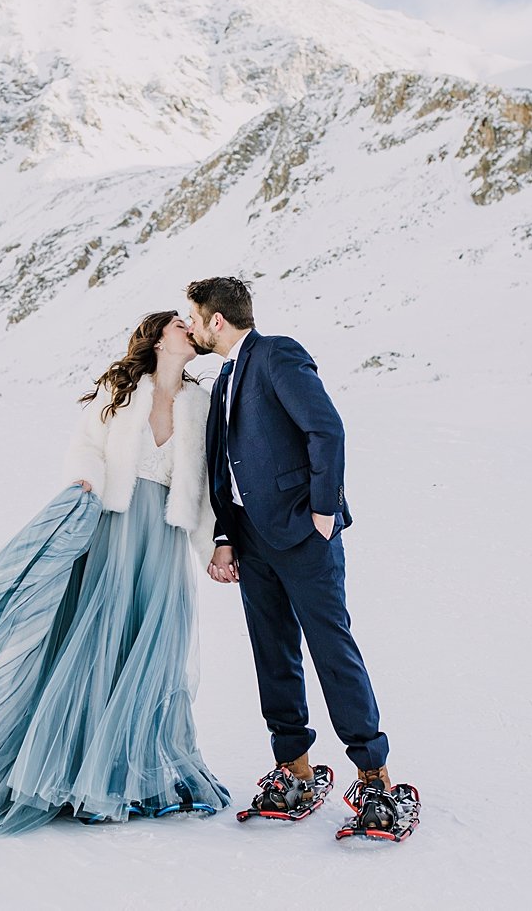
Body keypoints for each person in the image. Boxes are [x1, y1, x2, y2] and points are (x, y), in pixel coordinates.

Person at [0, 310, 230, 837]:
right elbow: (86, 444)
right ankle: (76, 771)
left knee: (155, 651)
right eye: (179, 323)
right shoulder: (120, 387)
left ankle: (143, 776)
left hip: (165, 540)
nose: (188, 329)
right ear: (157, 337)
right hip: (113, 528)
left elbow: (205, 484)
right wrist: (84, 480)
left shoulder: (201, 402)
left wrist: (215, 544)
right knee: (97, 645)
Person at [185, 275, 414, 834]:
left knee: (331, 648)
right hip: (252, 541)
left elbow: (326, 428)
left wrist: (323, 510)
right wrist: (224, 534)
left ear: (217, 320)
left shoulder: (276, 354)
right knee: (273, 655)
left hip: (304, 534)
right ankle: (294, 769)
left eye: (193, 317)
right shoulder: (223, 380)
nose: (189, 327)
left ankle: (375, 778)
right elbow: (223, 467)